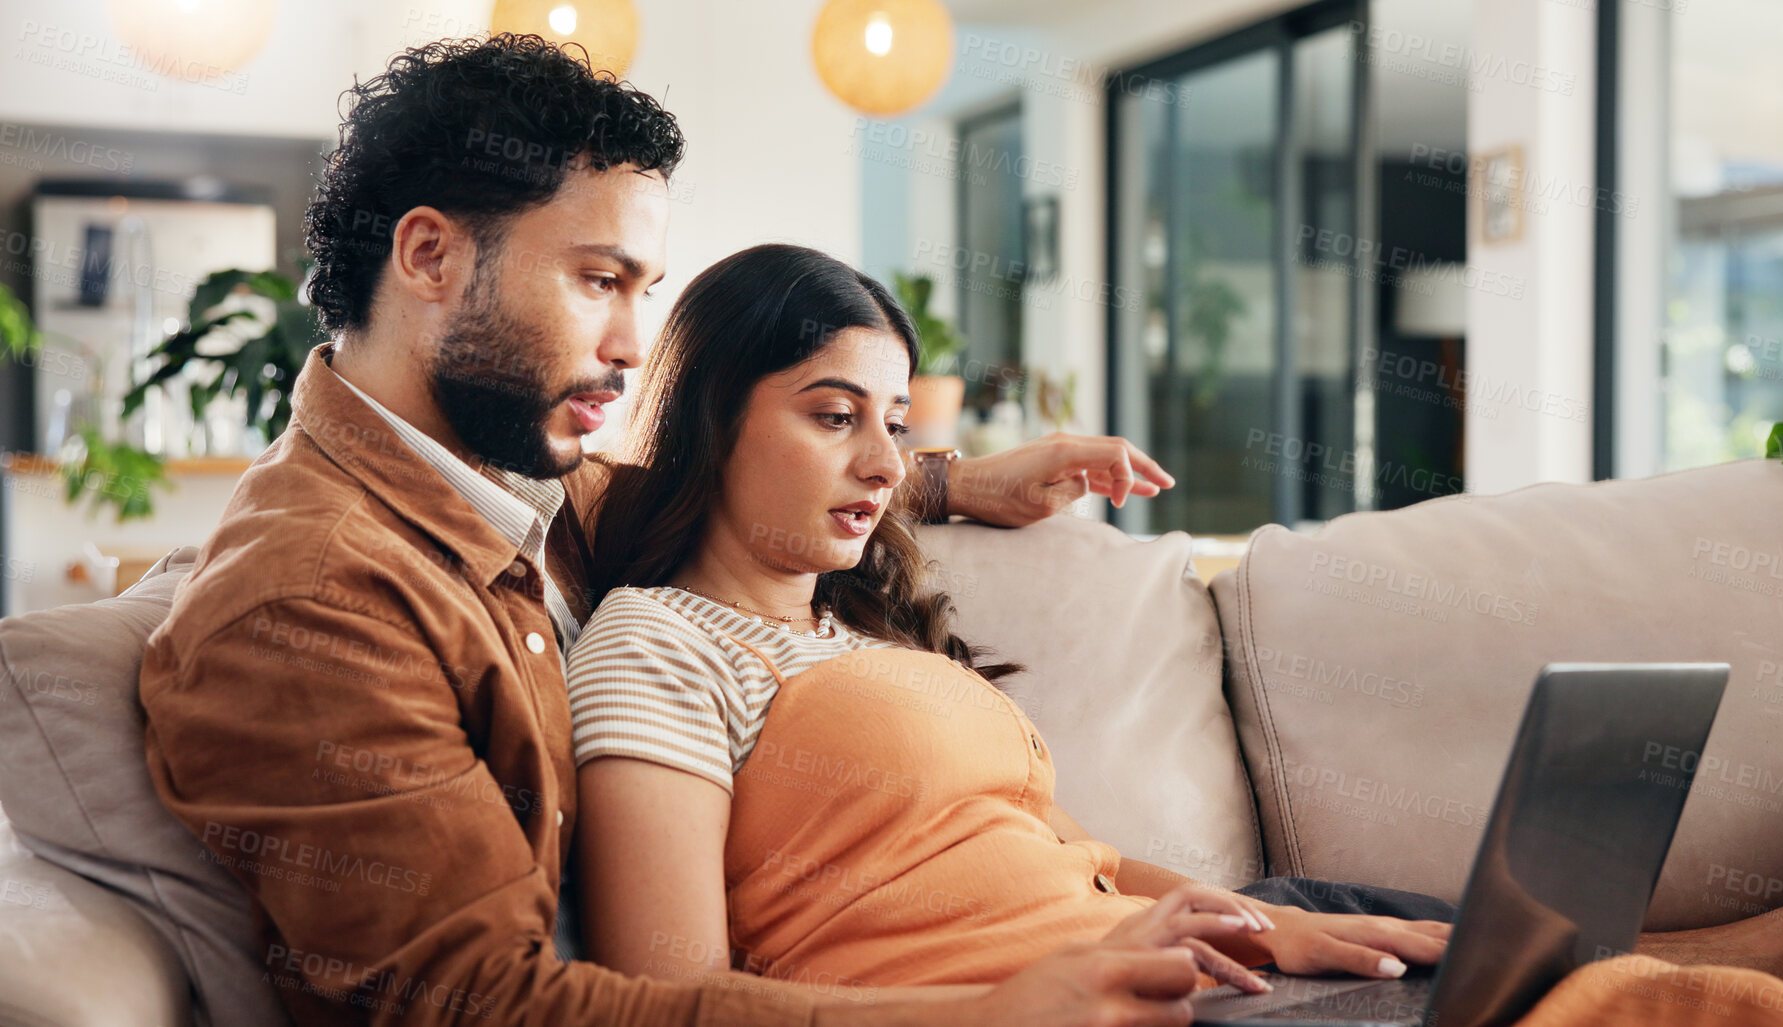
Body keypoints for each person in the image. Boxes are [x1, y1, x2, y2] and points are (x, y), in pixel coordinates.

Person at [139, 33, 1225, 1027]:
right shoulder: (313, 598)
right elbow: (480, 1006)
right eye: (596, 279)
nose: (630, 342)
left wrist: (963, 480)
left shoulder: (523, 481)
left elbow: (734, 479)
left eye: (643, 288)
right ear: (428, 257)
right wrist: (987, 1011)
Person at [566, 242, 1453, 996]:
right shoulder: (659, 643)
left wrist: (1257, 924)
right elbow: (668, 1000)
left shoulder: (863, 629)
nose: (883, 465)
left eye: (897, 424)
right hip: (1042, 1001)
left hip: (1165, 968)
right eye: (835, 416)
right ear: (708, 421)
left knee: (1534, 955)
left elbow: (1086, 862)